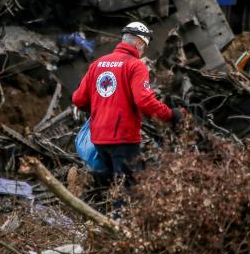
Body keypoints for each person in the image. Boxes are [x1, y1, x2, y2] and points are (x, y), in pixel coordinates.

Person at [72, 21, 185, 190]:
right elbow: (145, 101)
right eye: (144, 46)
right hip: (123, 139)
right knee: (129, 192)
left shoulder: (98, 64)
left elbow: (79, 99)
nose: (143, 51)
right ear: (138, 42)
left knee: (111, 187)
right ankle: (118, 216)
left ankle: (101, 213)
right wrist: (170, 115)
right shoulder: (135, 65)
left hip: (99, 139)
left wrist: (100, 108)